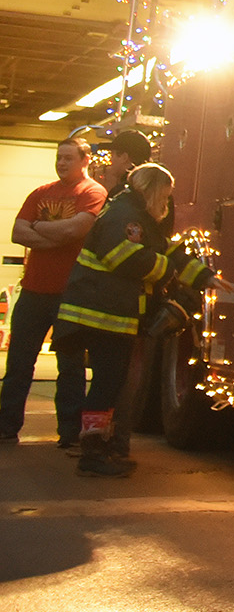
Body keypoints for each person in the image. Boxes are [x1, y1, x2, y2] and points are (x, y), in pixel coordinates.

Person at [51, 162, 178, 477]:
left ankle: (100, 449)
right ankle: (92, 454)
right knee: (106, 387)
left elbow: (165, 252)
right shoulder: (126, 218)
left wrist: (198, 275)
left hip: (105, 316)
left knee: (108, 385)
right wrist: (167, 269)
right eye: (164, 196)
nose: (166, 203)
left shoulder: (130, 214)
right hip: (102, 318)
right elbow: (124, 257)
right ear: (150, 190)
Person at [0, 137, 108, 450]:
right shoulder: (41, 192)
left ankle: (70, 433)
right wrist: (56, 236)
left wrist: (38, 230)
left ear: (85, 159)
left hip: (70, 295)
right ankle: (6, 427)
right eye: (59, 158)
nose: (61, 163)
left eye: (68, 158)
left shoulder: (93, 193)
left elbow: (77, 231)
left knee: (70, 366)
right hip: (34, 291)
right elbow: (17, 232)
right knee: (19, 364)